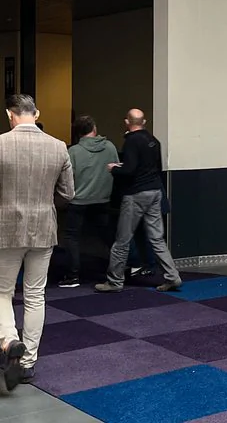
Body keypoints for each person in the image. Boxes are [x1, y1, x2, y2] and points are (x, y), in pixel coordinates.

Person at [0, 95, 74, 389]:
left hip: (6, 229)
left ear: (10, 115)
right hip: (44, 228)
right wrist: (45, 206)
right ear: (37, 113)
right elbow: (68, 194)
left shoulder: (1, 144)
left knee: (3, 291)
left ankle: (9, 341)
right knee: (35, 295)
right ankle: (28, 362)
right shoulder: (58, 147)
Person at [95, 109, 181, 293]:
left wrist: (114, 169)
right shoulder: (153, 141)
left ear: (127, 122)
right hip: (155, 191)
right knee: (157, 238)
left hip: (136, 194)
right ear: (144, 121)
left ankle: (115, 281)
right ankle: (172, 276)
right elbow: (154, 167)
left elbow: (130, 170)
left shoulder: (131, 141)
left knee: (122, 240)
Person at [59, 116, 120, 288]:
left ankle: (73, 275)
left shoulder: (73, 152)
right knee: (108, 235)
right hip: (103, 199)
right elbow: (117, 170)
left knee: (72, 237)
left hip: (78, 200)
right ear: (94, 128)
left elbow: (67, 177)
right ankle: (119, 268)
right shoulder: (110, 147)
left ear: (78, 132)